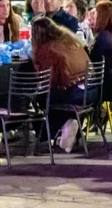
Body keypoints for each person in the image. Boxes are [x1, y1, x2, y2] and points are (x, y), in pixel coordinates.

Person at [30, 17, 91, 152]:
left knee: (41, 98)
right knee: (50, 97)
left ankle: (49, 133)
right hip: (92, 90)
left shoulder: (47, 49)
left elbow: (49, 81)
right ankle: (67, 125)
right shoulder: (70, 39)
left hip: (75, 94)